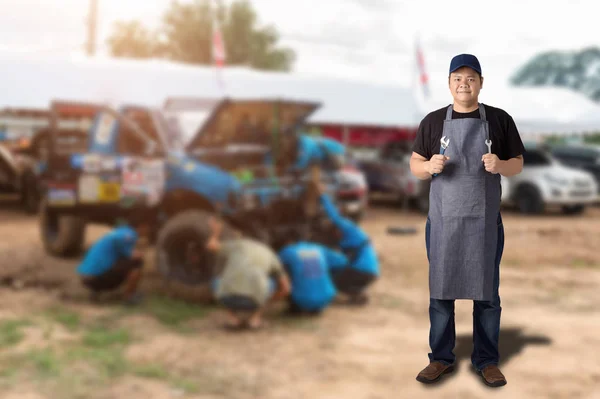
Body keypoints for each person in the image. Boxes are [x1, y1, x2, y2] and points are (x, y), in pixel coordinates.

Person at [410, 54, 525, 387]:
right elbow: (415, 164)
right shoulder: (432, 122)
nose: (464, 83)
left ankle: (487, 360)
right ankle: (441, 359)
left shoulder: (500, 120)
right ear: (449, 83)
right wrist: (427, 167)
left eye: (470, 78)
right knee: (441, 294)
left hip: (485, 223)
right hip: (443, 223)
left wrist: (500, 165)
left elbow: (517, 162)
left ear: (481, 83)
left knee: (487, 295)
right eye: (457, 78)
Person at [206, 217, 291, 330]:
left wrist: (216, 232)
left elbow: (211, 245)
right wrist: (270, 299)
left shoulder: (237, 245)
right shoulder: (270, 253)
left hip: (228, 298)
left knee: (216, 281)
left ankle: (233, 320)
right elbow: (286, 288)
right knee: (271, 282)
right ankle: (254, 320)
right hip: (254, 301)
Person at [318, 190, 379, 305]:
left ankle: (358, 294)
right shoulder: (349, 239)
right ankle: (358, 292)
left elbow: (334, 217)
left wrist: (322, 197)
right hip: (370, 273)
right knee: (337, 273)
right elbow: (342, 261)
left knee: (333, 280)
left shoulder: (348, 227)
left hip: (362, 271)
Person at [275, 227, 349, 315]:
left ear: (289, 239)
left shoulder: (287, 251)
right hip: (326, 298)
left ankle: (297, 306)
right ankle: (316, 301)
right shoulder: (319, 248)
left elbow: (273, 266)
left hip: (301, 300)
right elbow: (343, 261)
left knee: (282, 272)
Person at [76, 218, 150, 305]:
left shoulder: (121, 231)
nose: (148, 231)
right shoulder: (130, 234)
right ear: (142, 226)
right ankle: (128, 297)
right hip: (95, 279)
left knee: (120, 260)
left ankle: (95, 291)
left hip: (85, 277)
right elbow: (131, 254)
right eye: (147, 228)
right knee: (138, 262)